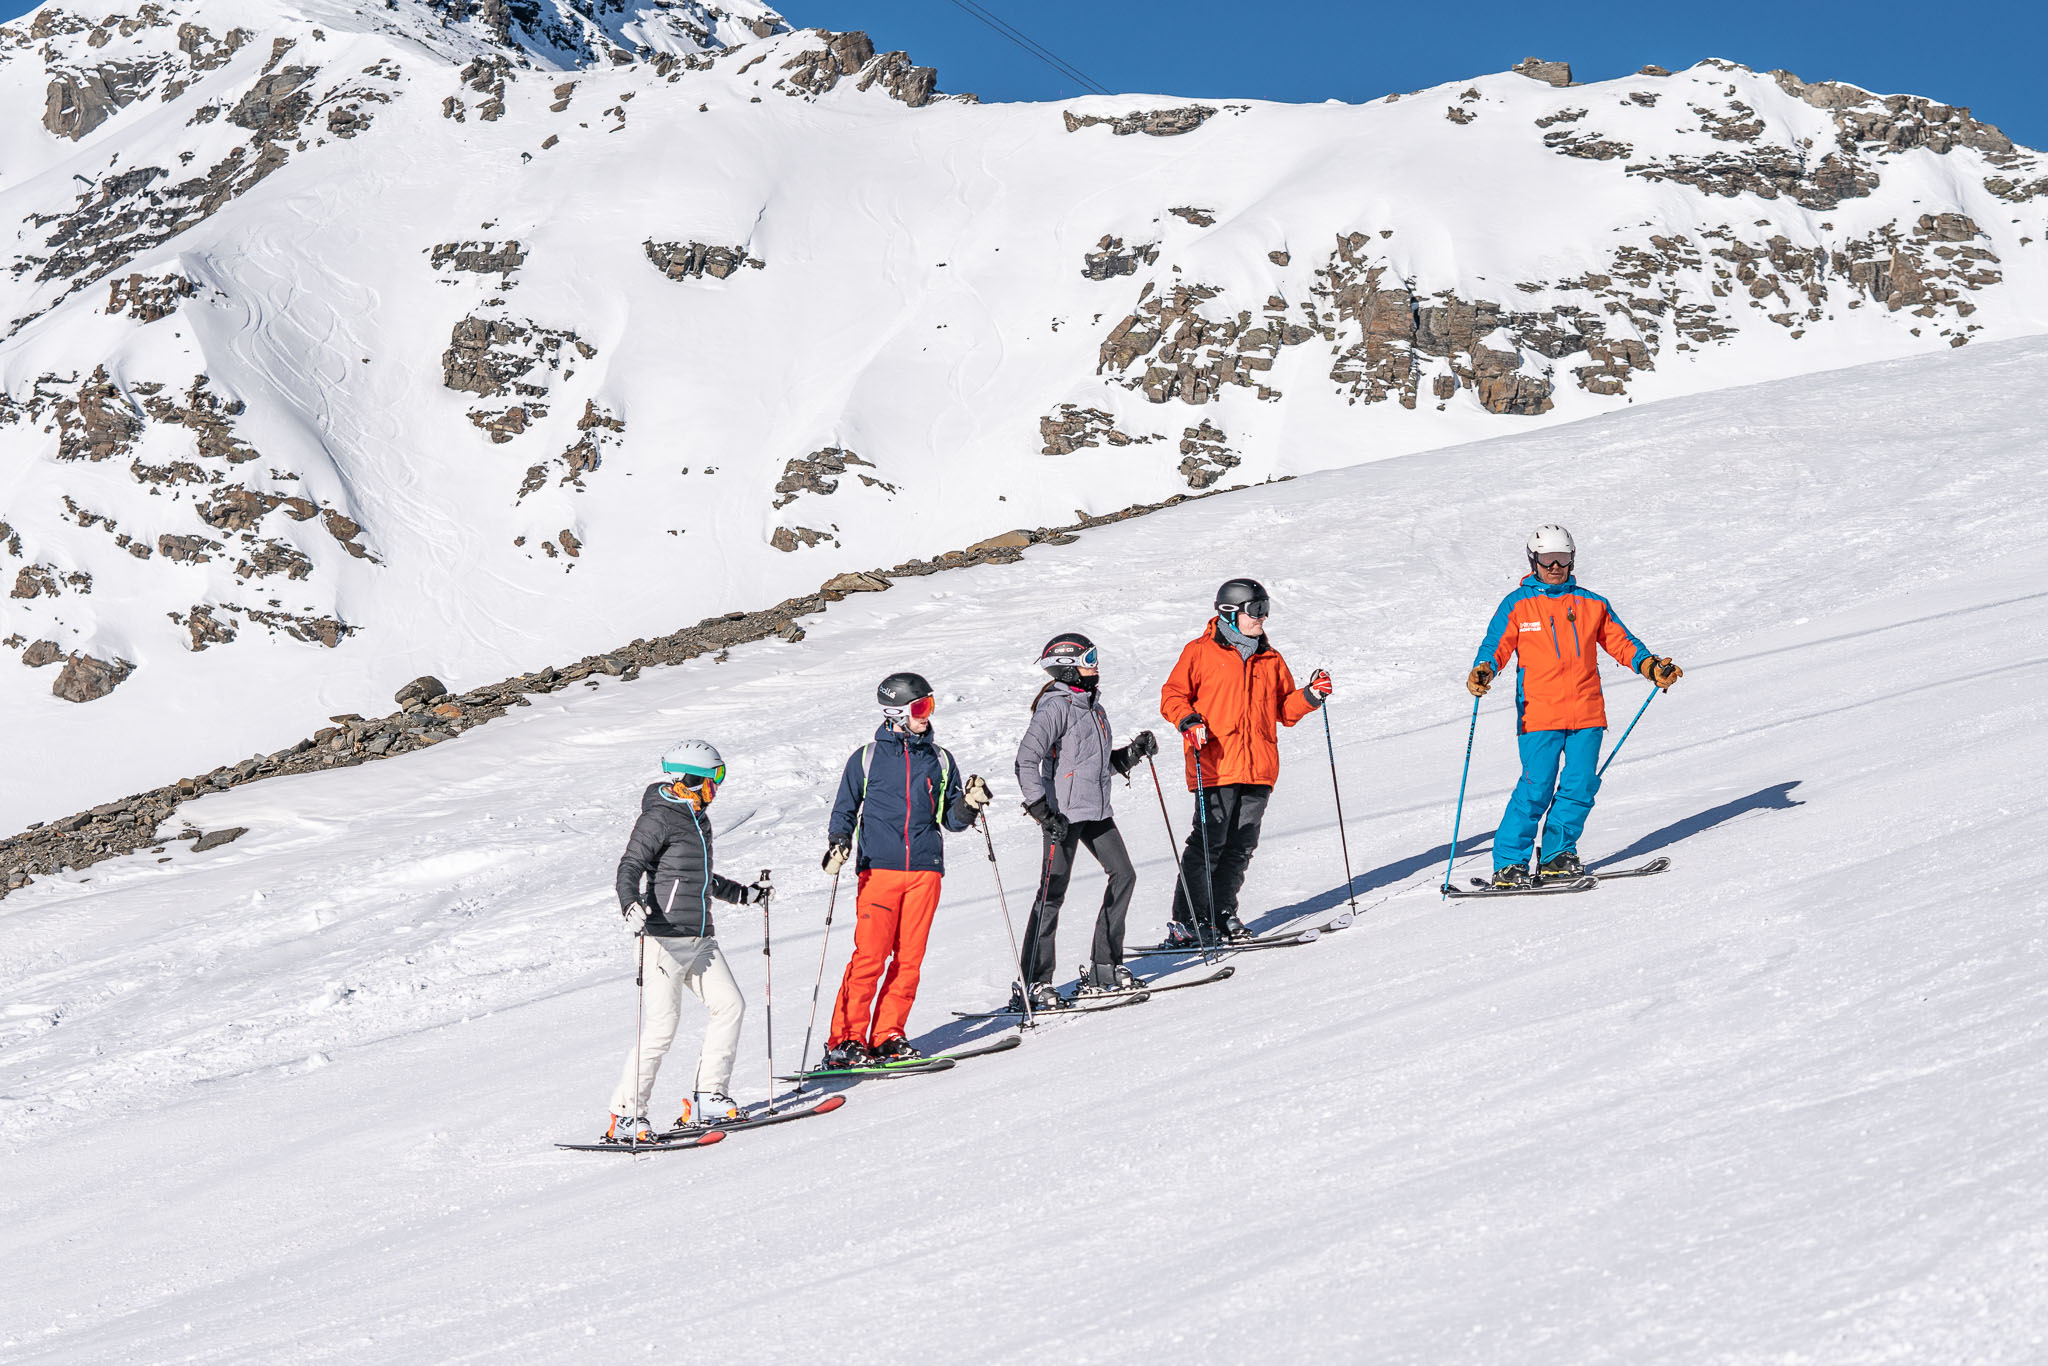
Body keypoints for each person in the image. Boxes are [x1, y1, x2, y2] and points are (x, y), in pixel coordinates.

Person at [1467, 525, 1683, 889]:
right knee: (1536, 788)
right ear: (1533, 561)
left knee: (1581, 785)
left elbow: (1622, 642)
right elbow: (1495, 645)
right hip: (1538, 713)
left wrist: (1650, 666)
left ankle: (1557, 855)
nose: (1556, 567)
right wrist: (1484, 669)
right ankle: (1509, 862)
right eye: (1549, 560)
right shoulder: (1517, 605)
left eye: (1563, 559)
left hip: (1587, 711)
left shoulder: (1591, 604)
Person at [819, 672, 993, 1067]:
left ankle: (888, 1035)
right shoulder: (866, 758)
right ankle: (845, 1041)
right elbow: (844, 809)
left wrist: (969, 804)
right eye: (920, 707)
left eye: (929, 706)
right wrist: (839, 842)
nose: (927, 716)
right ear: (895, 713)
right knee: (870, 958)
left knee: (909, 960)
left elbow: (951, 819)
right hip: (879, 871)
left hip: (926, 871)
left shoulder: (941, 759)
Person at [605, 740, 771, 1144]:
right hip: (662, 939)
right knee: (661, 1029)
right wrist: (630, 905)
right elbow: (629, 866)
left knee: (730, 1005)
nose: (719, 786)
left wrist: (746, 894)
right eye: (715, 778)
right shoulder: (659, 818)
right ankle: (626, 1117)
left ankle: (708, 1097)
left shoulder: (699, 820)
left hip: (699, 937)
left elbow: (701, 879)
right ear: (692, 779)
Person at [1158, 579, 1332, 944]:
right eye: (1255, 609)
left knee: (1241, 845)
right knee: (1209, 843)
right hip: (1216, 765)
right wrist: (1188, 720)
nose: (1263, 617)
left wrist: (1310, 695)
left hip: (1259, 768)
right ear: (1230, 612)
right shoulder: (1200, 652)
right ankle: (1188, 921)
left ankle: (1222, 914)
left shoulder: (1271, 658)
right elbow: (1173, 695)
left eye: (1265, 608)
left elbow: (1284, 709)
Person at [1012, 633, 1158, 1009]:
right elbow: (1026, 761)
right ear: (1067, 665)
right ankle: (1034, 982)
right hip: (1062, 815)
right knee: (1051, 895)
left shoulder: (1094, 707)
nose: (1096, 662)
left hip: (1095, 810)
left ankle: (1105, 967)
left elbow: (1097, 766)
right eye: (1088, 656)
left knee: (1124, 874)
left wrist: (1133, 754)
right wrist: (1043, 811)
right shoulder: (1055, 708)